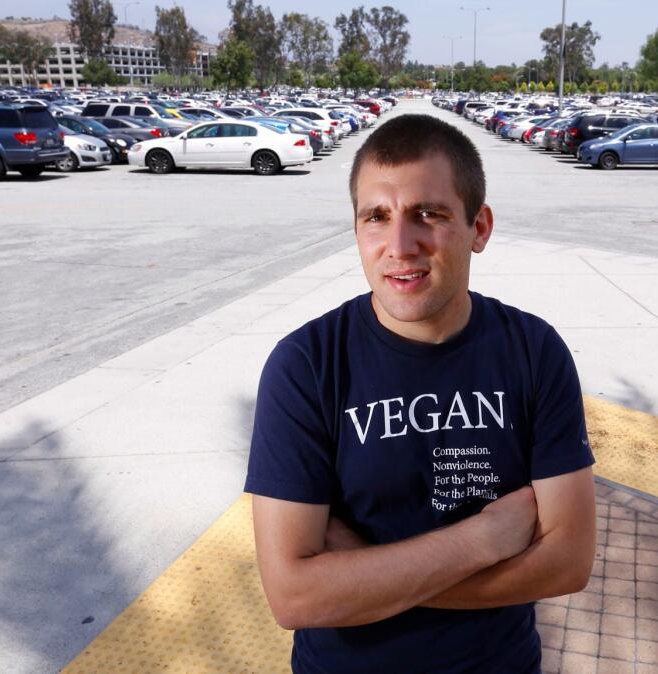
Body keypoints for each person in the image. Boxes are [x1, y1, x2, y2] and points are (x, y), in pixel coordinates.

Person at [244, 114, 597, 674]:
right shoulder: (305, 366)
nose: (400, 246)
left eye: (427, 215)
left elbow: (567, 563)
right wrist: (483, 539)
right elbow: (295, 597)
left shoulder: (534, 351)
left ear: (479, 227)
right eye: (376, 218)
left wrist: (362, 574)